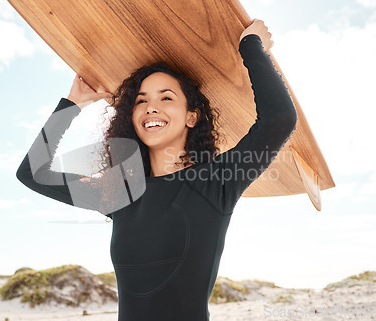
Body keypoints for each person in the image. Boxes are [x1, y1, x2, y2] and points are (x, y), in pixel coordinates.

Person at [16, 19, 297, 321]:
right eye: (142, 101)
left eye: (166, 97)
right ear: (132, 117)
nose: (151, 107)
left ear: (192, 117)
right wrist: (72, 104)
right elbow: (32, 172)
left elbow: (278, 119)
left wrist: (251, 47)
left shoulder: (215, 182)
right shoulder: (117, 193)